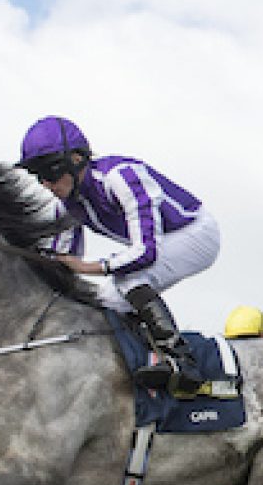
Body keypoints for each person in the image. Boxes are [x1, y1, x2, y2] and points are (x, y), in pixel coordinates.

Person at [17, 115, 221, 395]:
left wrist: (89, 267)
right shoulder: (67, 205)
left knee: (129, 279)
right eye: (37, 176)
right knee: (105, 301)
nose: (45, 184)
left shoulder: (121, 177)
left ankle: (181, 362)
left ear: (76, 159)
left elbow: (146, 252)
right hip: (158, 245)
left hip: (196, 233)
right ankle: (144, 362)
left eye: (49, 173)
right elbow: (59, 262)